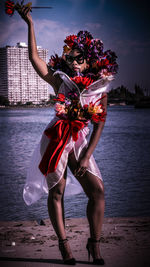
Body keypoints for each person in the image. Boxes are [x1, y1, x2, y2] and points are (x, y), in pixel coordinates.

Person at [17, 5, 118, 266]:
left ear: (89, 61)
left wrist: (86, 157)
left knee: (98, 192)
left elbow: (99, 125)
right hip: (57, 137)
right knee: (57, 191)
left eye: (79, 58)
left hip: (81, 140)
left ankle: (93, 244)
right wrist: (30, 24)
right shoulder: (60, 81)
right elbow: (34, 61)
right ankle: (64, 246)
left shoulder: (100, 87)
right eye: (70, 58)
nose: (74, 62)